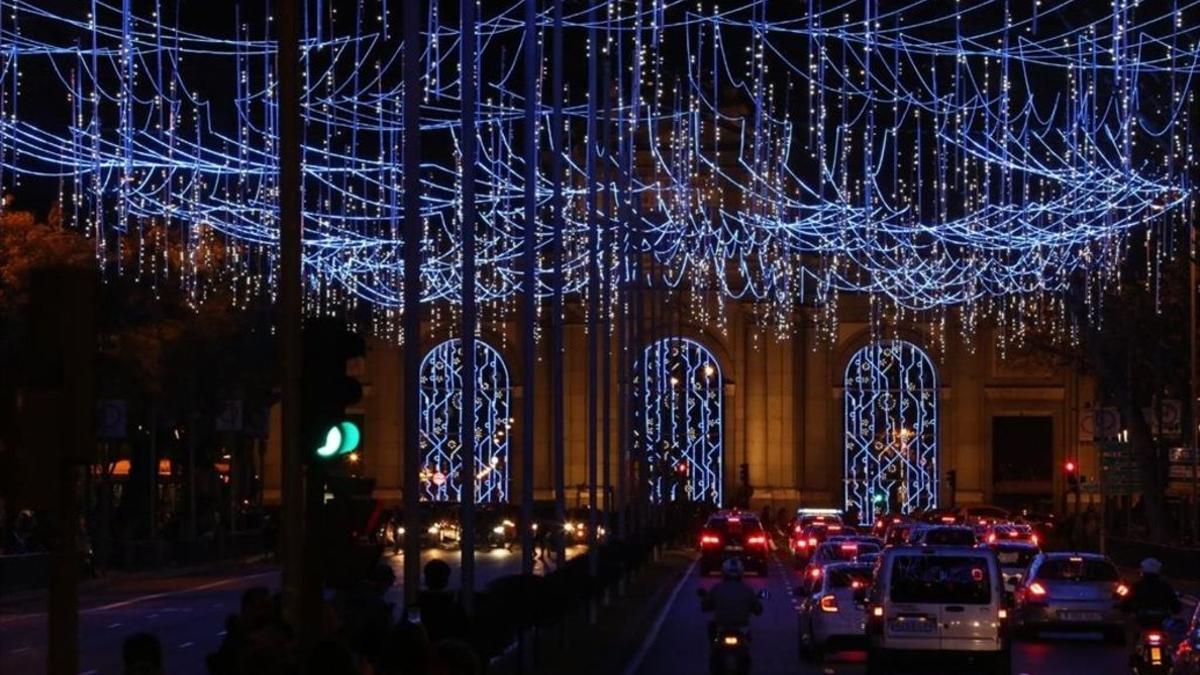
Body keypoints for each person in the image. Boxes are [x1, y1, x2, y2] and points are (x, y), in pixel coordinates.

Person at [700, 558, 763, 633]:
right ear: (741, 572)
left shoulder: (717, 588)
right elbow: (757, 609)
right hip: (741, 625)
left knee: (711, 627)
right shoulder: (747, 589)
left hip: (722, 625)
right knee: (748, 634)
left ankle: (714, 644)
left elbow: (705, 606)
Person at [416, 559, 469, 643]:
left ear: (426, 579)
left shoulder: (416, 608)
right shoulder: (454, 609)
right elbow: (463, 632)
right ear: (446, 580)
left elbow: (412, 630)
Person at [1120, 557, 1182, 626]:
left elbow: (1126, 603)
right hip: (1152, 623)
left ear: (1143, 571)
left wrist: (1125, 607)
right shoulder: (1165, 587)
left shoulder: (1136, 586)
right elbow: (1175, 605)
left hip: (1147, 622)